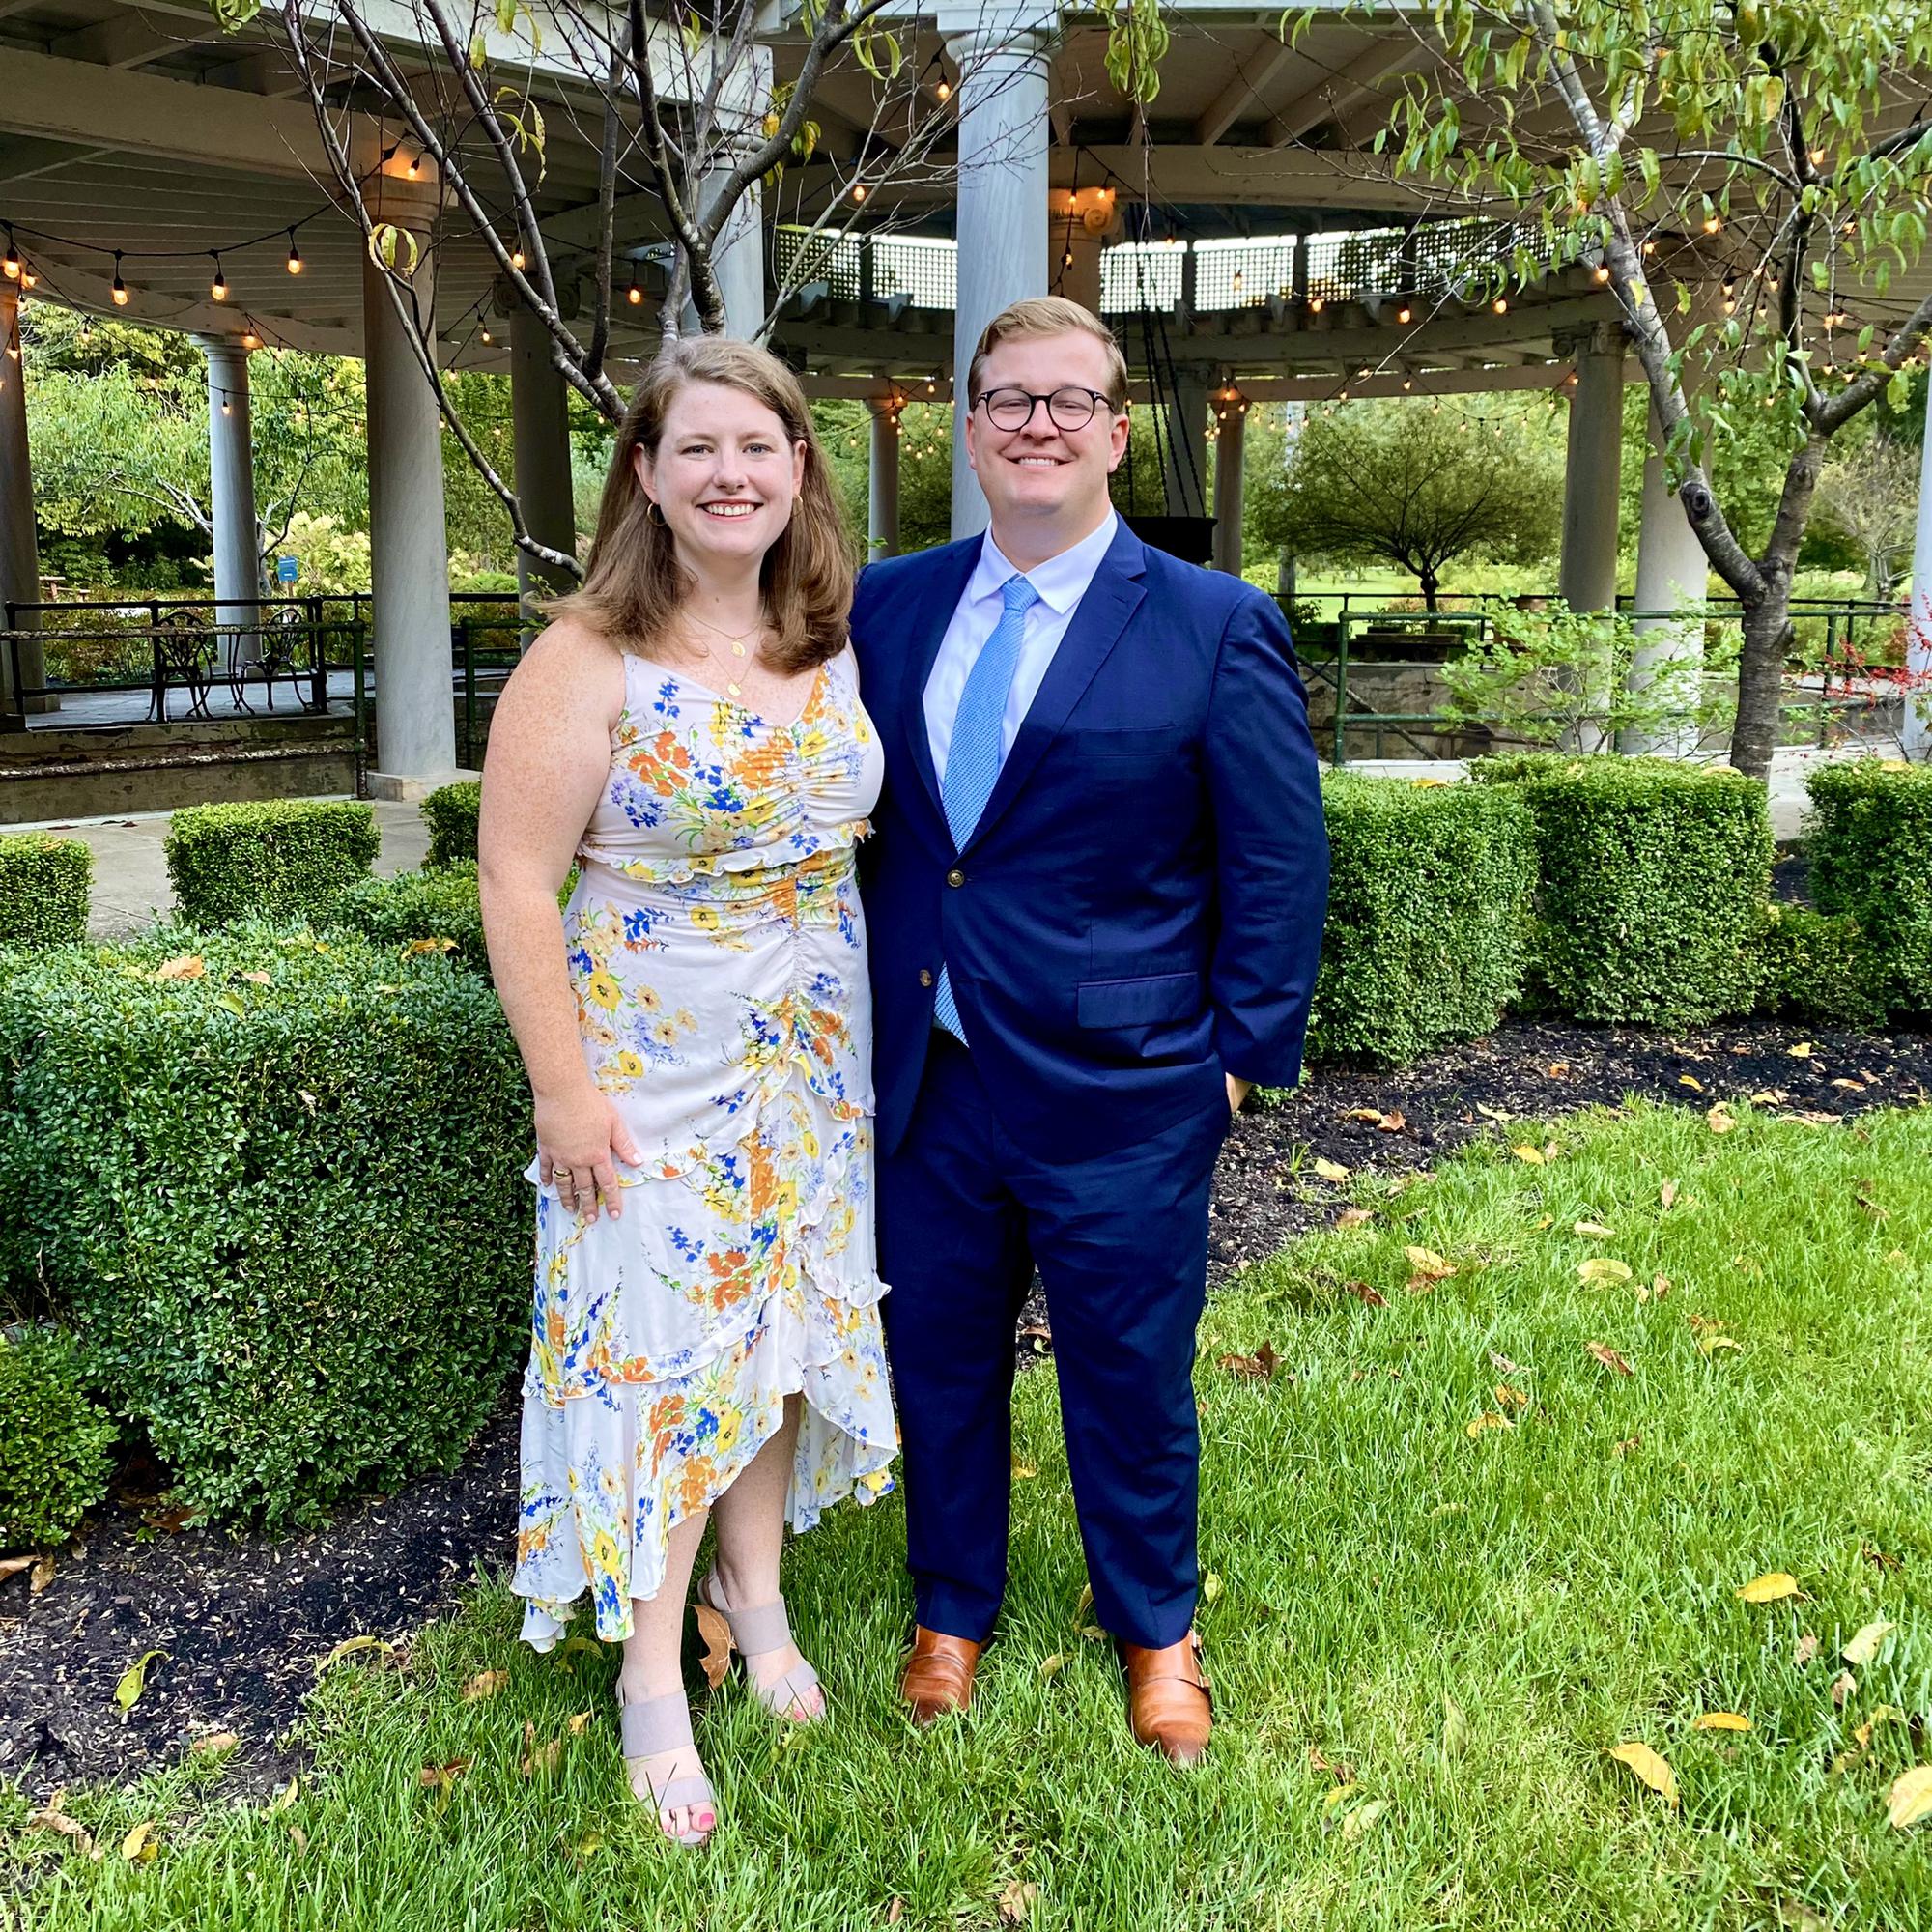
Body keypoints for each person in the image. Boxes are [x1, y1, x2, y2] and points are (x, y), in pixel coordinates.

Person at [850, 297, 1328, 1766]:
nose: (1037, 424)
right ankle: (951, 1613)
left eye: (1069, 401)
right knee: (937, 1354)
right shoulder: (889, 605)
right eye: (1008, 401)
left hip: (1129, 1083)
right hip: (929, 1073)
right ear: (971, 430)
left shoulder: (1207, 621)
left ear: (1117, 433)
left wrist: (1243, 1058)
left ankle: (1157, 1632)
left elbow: (1278, 857)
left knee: (1127, 1366)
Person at [479, 336, 897, 1847]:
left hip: (809, 1069)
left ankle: (759, 1600)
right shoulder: (586, 656)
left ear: (799, 470)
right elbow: (518, 885)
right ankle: (653, 1681)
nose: (733, 474)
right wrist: (560, 1091)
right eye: (699, 448)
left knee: (778, 1330)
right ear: (645, 476)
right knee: (660, 1360)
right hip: (647, 1073)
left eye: (759, 447)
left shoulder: (830, 640)